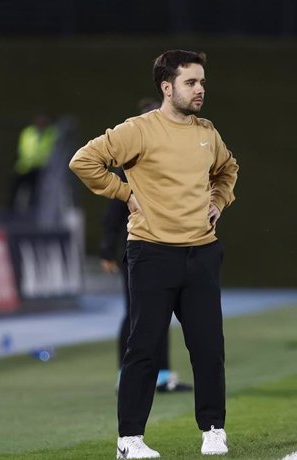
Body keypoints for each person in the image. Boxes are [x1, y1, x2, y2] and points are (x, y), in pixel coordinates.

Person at [70, 50, 238, 458]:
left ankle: (213, 429)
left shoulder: (206, 132)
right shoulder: (138, 130)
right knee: (143, 348)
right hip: (151, 254)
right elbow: (84, 161)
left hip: (201, 253)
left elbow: (228, 168)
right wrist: (124, 193)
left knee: (208, 348)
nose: (200, 89)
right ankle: (129, 440)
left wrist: (220, 198)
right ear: (167, 87)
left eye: (201, 82)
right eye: (191, 83)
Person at [101, 99, 192, 394]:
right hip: (139, 251)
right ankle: (123, 375)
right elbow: (114, 211)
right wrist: (107, 250)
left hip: (169, 248)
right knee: (136, 315)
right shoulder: (130, 167)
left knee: (161, 313)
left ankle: (162, 375)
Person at [10, 112, 58, 212]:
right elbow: (23, 149)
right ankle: (11, 210)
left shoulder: (51, 133)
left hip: (40, 168)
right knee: (15, 188)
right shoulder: (28, 132)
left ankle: (32, 210)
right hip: (25, 166)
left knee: (36, 191)